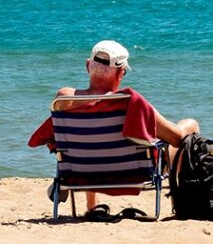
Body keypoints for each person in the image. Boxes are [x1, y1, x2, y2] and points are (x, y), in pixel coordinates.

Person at [29, 40, 199, 211]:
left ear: (88, 66)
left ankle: (91, 206)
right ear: (120, 73)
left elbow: (53, 136)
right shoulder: (130, 102)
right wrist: (188, 127)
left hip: (79, 172)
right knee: (189, 126)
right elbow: (176, 138)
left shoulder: (65, 99)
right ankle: (186, 200)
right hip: (133, 173)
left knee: (90, 140)